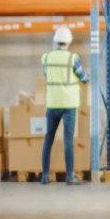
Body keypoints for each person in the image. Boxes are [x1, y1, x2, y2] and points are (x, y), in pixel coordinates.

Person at [41, 26, 90, 185]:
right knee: (68, 140)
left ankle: (45, 176)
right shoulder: (72, 58)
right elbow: (83, 78)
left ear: (55, 41)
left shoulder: (46, 58)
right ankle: (70, 176)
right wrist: (86, 78)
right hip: (68, 104)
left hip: (52, 103)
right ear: (69, 42)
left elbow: (47, 75)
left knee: (48, 139)